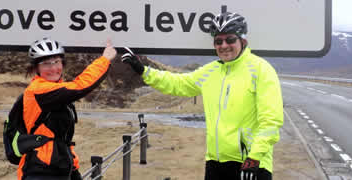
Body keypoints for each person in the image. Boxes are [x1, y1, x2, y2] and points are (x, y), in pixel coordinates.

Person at [121, 12, 283, 180]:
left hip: (250, 164)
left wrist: (255, 157)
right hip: (215, 163)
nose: (224, 45)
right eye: (218, 41)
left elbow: (271, 122)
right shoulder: (210, 71)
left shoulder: (261, 70)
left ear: (243, 41)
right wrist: (144, 70)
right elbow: (178, 83)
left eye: (230, 39)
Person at [18, 37, 117, 180]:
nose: (53, 68)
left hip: (60, 165)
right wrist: (105, 59)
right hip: (41, 170)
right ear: (36, 68)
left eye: (57, 62)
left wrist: (73, 167)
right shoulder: (40, 90)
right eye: (46, 64)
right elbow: (80, 86)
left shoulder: (55, 89)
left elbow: (60, 137)